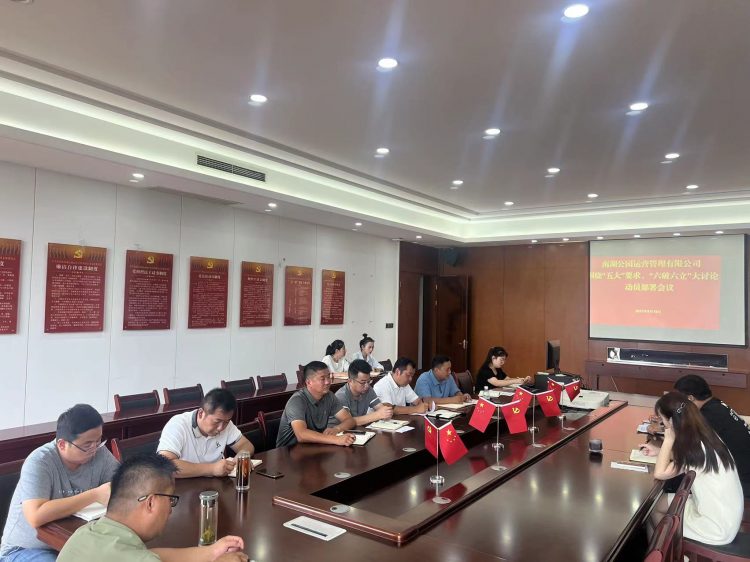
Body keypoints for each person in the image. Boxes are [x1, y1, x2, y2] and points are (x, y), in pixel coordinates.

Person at [58, 453, 247, 562]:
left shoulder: (85, 533)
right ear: (150, 502)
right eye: (170, 500)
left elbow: (150, 554)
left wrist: (211, 552)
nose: (171, 510)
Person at [0, 404, 119, 562]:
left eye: (98, 441)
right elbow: (35, 515)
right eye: (87, 444)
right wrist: (94, 495)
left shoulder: (99, 452)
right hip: (24, 549)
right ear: (62, 444)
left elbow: (123, 483)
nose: (94, 449)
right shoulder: (40, 461)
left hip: (71, 543)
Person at [645, 392, 742, 546]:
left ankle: (665, 552)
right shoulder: (705, 435)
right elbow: (689, 461)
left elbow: (660, 473)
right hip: (727, 513)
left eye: (663, 422)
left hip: (715, 526)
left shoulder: (692, 447)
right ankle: (660, 550)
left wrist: (668, 439)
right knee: (656, 505)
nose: (664, 425)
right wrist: (660, 452)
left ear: (672, 421)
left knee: (654, 511)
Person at [640, 374, 750, 498]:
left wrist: (666, 440)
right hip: (734, 475)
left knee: (670, 485)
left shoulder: (707, 417)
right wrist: (662, 435)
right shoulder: (715, 405)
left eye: (680, 402)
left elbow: (687, 457)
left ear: (690, 398)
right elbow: (691, 455)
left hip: (741, 481)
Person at [157, 389, 254, 479]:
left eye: (226, 422)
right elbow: (164, 466)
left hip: (215, 485)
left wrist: (241, 457)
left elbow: (246, 445)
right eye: (216, 421)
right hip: (185, 486)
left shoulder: (225, 423)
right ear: (201, 413)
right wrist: (212, 469)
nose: (221, 428)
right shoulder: (178, 425)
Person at [276, 361, 356, 447]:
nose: (328, 382)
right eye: (322, 379)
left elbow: (349, 420)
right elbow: (301, 434)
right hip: (288, 451)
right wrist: (336, 439)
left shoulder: (329, 396)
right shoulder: (297, 401)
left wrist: (336, 429)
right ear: (309, 382)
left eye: (328, 377)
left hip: (314, 446)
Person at [334, 360, 394, 426]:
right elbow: (349, 422)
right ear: (350, 381)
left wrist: (386, 412)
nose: (367, 385)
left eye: (368, 381)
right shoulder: (341, 396)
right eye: (362, 382)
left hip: (358, 429)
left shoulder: (368, 389)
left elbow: (380, 407)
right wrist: (377, 415)